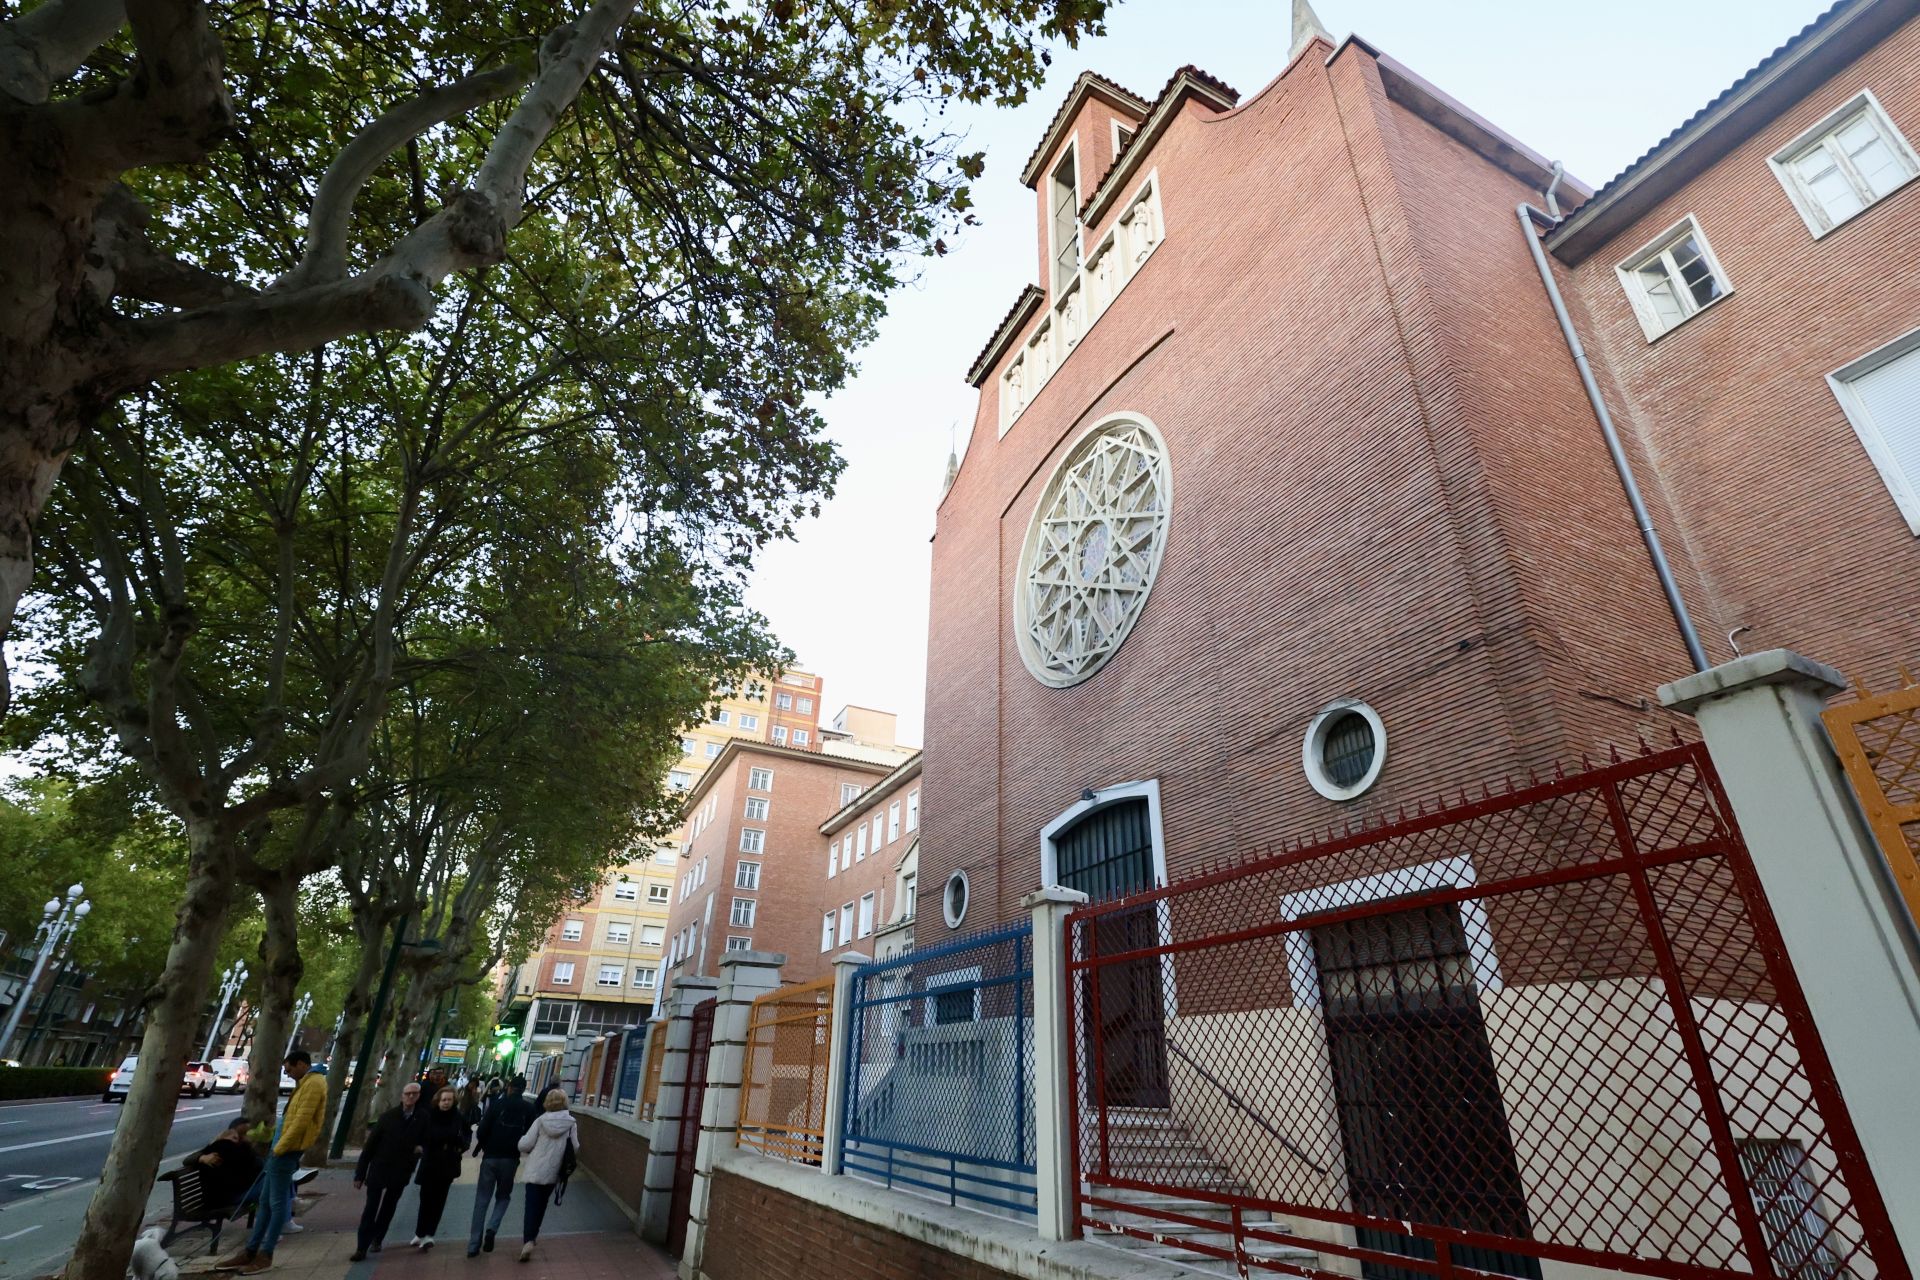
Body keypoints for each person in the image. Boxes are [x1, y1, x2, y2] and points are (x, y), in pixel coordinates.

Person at [213, 1051, 324, 1275]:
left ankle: (265, 1253)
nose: (287, 1073)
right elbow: (294, 1120)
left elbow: (301, 1121)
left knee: (275, 1203)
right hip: (281, 1150)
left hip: (285, 1152)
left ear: (302, 1064)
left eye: (290, 1069)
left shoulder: (313, 1084)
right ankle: (252, 1250)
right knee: (266, 1202)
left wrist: (280, 1148)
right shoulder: (307, 1083)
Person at [350, 1081, 429, 1261]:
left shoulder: (423, 1118)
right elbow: (369, 1147)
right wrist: (360, 1174)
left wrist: (419, 1150)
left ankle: (378, 1238)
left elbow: (427, 1140)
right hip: (380, 1167)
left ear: (418, 1096)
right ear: (402, 1095)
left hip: (401, 1170)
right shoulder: (387, 1117)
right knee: (371, 1208)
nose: (410, 1097)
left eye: (414, 1094)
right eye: (407, 1093)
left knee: (389, 1207)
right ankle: (362, 1246)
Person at [467, 1074, 537, 1257]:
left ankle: (473, 1244)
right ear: (523, 1089)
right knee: (503, 1197)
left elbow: (482, 1131)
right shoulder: (528, 1109)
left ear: (509, 1088)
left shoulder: (497, 1105)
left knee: (481, 1200)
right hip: (511, 1158)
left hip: (490, 1157)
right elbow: (530, 1135)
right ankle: (492, 1228)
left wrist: (486, 1143)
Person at [515, 1089, 579, 1262]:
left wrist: (522, 1142)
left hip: (536, 1169)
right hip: (554, 1170)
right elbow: (575, 1147)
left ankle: (528, 1240)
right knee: (542, 1204)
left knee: (531, 1205)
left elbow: (525, 1144)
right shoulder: (571, 1123)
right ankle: (533, 1236)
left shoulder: (540, 1120)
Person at [409, 1085, 469, 1249]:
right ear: (438, 1100)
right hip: (430, 1162)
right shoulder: (429, 1116)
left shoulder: (458, 1117)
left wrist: (461, 1146)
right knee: (425, 1199)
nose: (446, 1103)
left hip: (448, 1163)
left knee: (439, 1200)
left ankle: (429, 1234)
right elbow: (422, 1136)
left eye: (449, 1100)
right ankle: (420, 1232)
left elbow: (465, 1136)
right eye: (444, 1100)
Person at [183, 1117, 262, 1209]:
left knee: (272, 1182)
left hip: (226, 1196)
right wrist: (202, 1158)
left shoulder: (237, 1148)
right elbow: (187, 1160)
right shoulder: (226, 1147)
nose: (246, 1136)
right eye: (242, 1133)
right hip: (228, 1198)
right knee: (272, 1183)